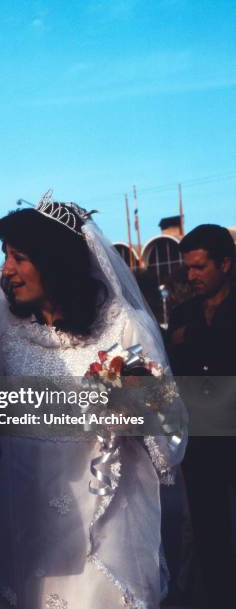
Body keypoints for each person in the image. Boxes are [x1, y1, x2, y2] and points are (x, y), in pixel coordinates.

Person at [0, 193, 186, 609]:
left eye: (19, 257)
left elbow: (171, 431)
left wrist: (133, 411)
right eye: (5, 255)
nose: (6, 271)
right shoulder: (3, 332)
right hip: (21, 523)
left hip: (106, 529)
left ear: (55, 262)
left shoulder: (123, 328)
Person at [168, 224, 236, 609]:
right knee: (210, 538)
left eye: (199, 267)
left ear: (225, 264)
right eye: (187, 268)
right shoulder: (182, 314)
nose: (191, 276)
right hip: (203, 443)